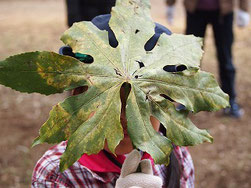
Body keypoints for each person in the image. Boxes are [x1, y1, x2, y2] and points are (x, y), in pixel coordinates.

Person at [31, 15, 195, 188]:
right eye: (109, 102)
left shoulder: (175, 157)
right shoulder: (57, 174)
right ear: (79, 97)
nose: (124, 118)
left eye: (143, 104)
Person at [166, 0, 250, 118]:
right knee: (191, 58)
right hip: (195, 10)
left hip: (223, 12)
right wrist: (170, 4)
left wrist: (244, 9)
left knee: (225, 57)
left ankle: (229, 100)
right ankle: (188, 99)